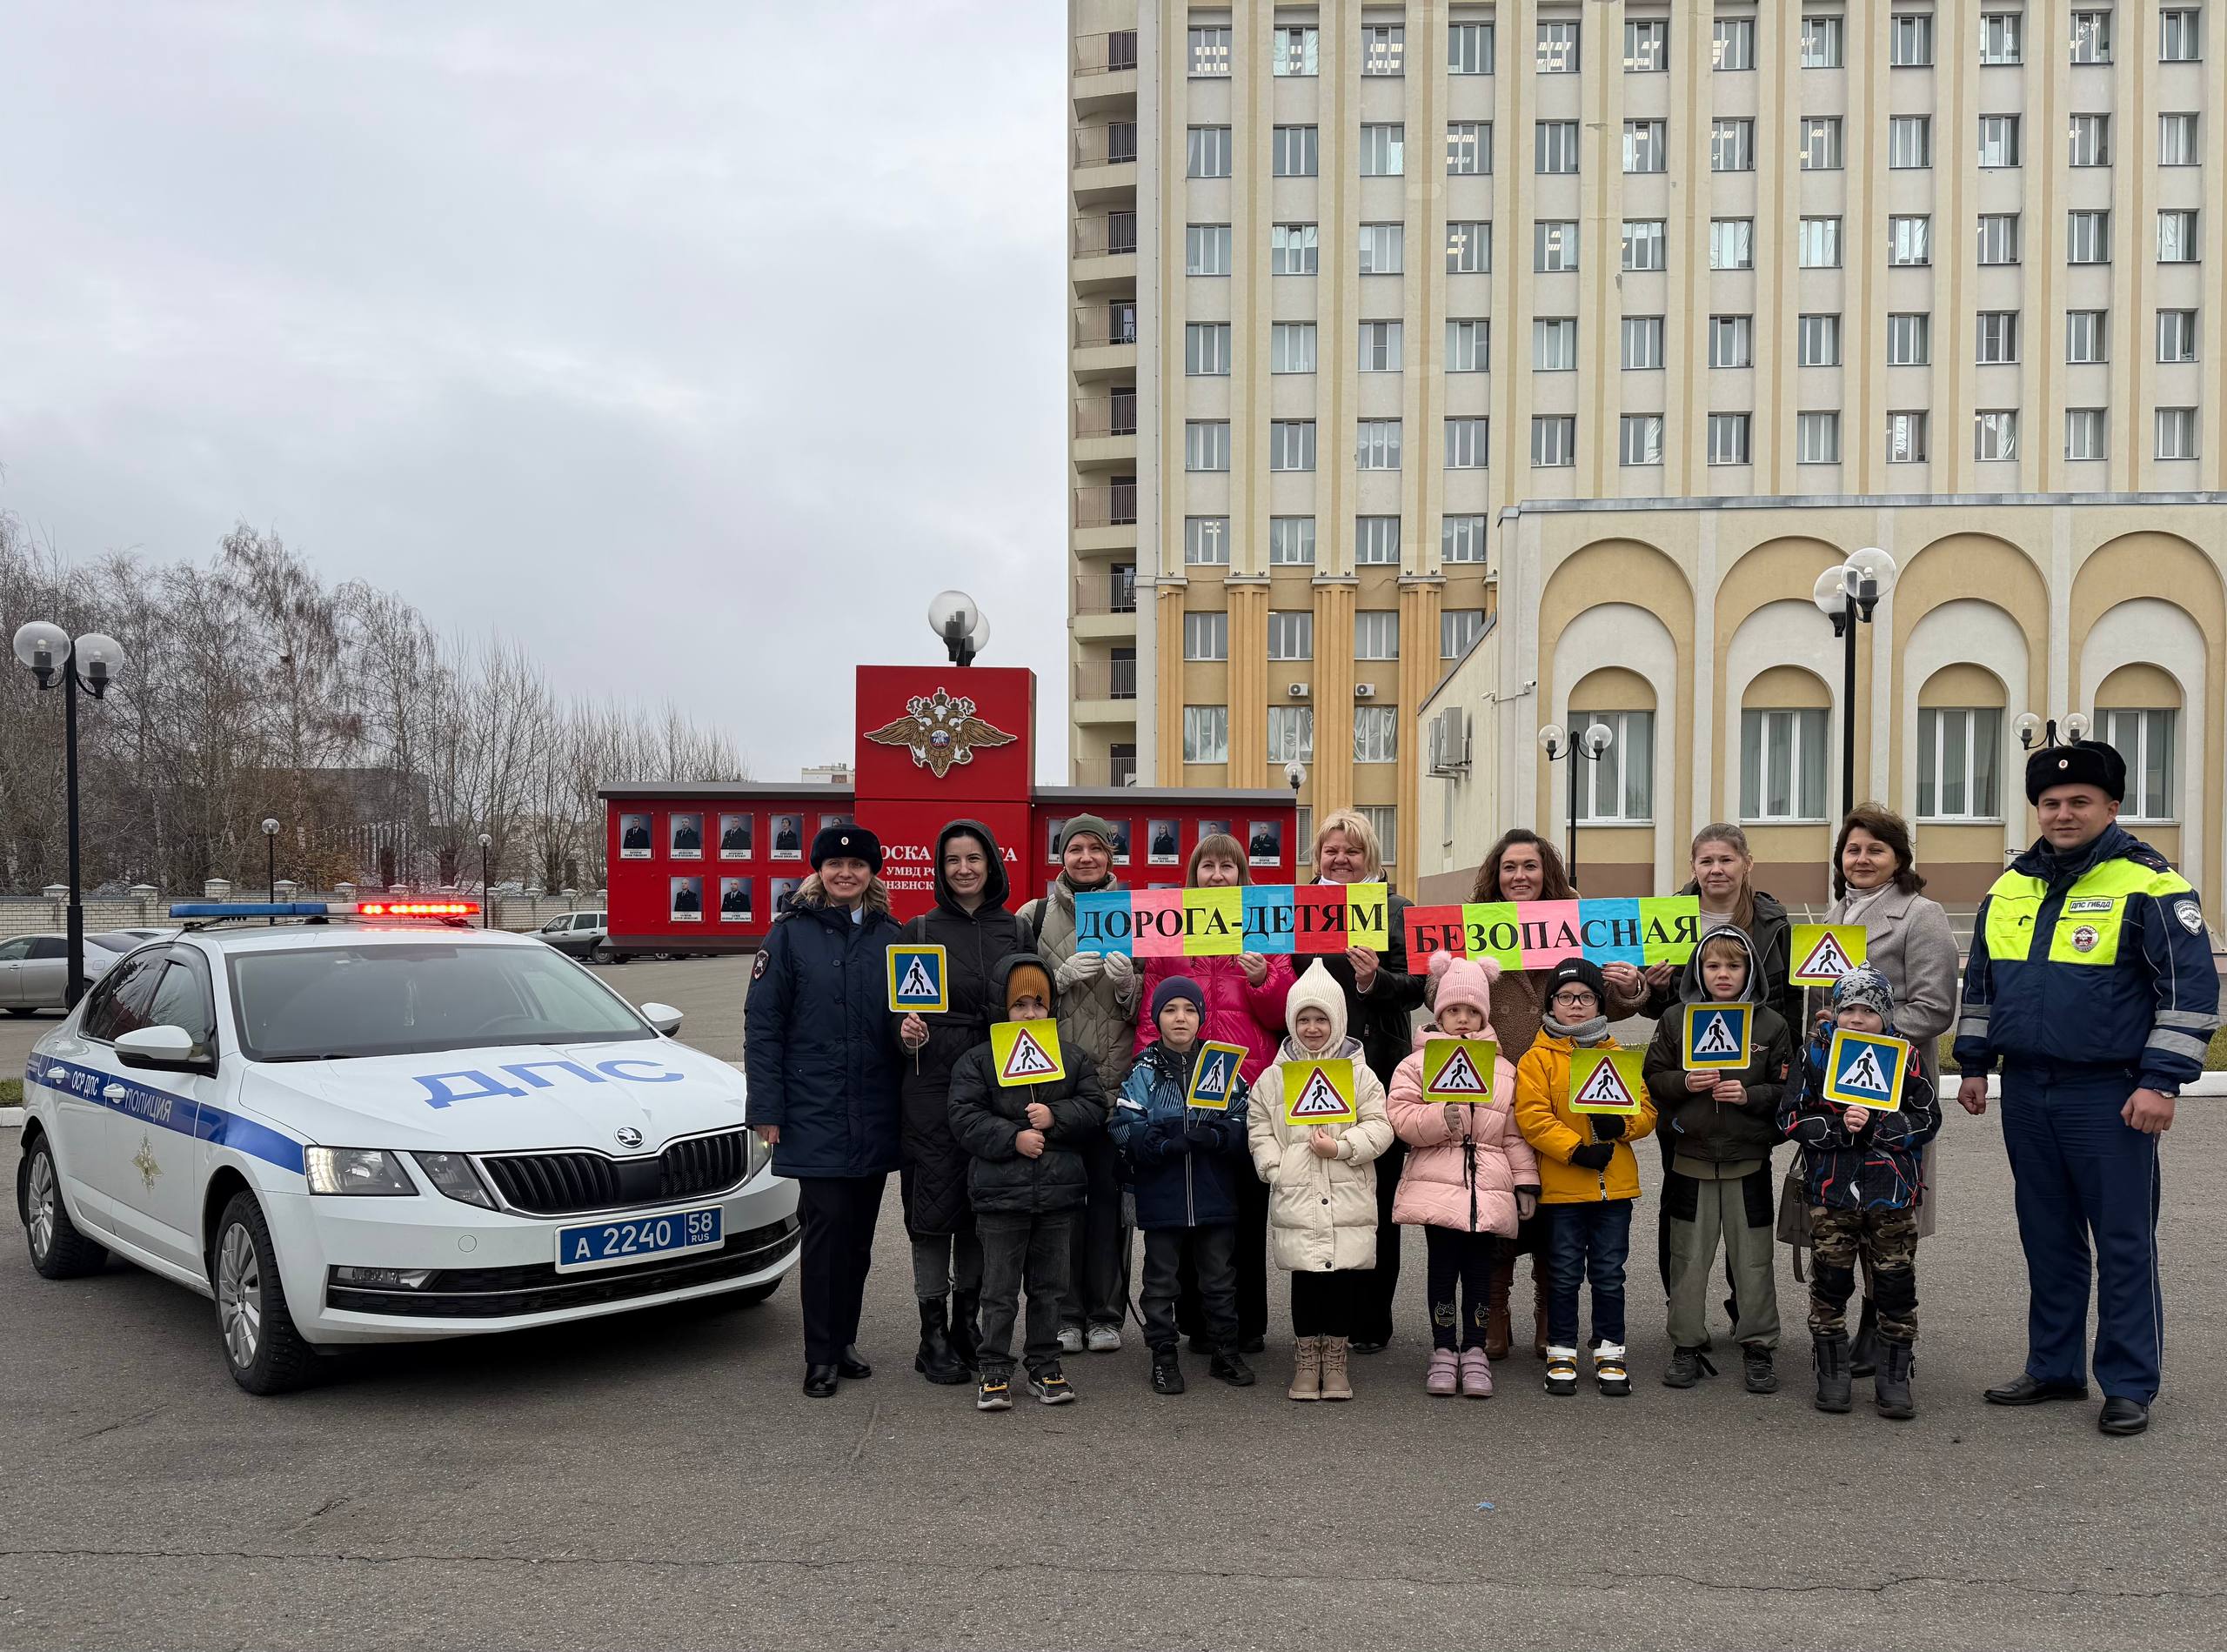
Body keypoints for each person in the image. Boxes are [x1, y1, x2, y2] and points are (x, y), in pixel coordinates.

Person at [1956, 740, 2220, 1437]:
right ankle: (2055, 1365)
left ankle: (2129, 1382)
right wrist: (1975, 1063)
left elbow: (2190, 992)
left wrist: (2162, 1081)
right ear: (2036, 809)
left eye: (2079, 801)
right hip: (2029, 1090)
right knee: (2047, 1237)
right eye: (2050, 803)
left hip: (2113, 1094)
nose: (2063, 813)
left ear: (2111, 805)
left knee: (2124, 1240)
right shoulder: (2009, 886)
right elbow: (1981, 985)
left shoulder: (2153, 884)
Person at [1468, 828, 1662, 1361]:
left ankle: (1550, 1313)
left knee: (1560, 1210)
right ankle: (1496, 1311)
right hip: (1497, 1090)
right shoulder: (1476, 925)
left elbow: (1605, 1004)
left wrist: (1634, 988)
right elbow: (1452, 999)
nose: (1520, 876)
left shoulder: (1577, 925)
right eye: (1509, 867)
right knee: (1501, 1211)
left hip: (1569, 1091)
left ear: (1546, 872)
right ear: (1496, 875)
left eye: (1530, 866)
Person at [743, 826, 904, 1398]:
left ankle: (845, 1339)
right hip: (812, 1110)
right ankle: (820, 1353)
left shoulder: (893, 936)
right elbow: (763, 1027)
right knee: (825, 1231)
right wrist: (765, 1109)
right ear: (818, 870)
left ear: (871, 873)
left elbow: (899, 1021)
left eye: (857, 865)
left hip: (874, 1111)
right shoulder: (788, 936)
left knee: (858, 1236)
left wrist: (909, 1032)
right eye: (835, 864)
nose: (845, 873)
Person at [1804, 805, 1961, 1380]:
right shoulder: (1835, 913)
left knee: (1888, 1206)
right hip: (1835, 1090)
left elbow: (1935, 1007)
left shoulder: (1922, 915)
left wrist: (1865, 1034)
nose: (1862, 859)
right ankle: (1844, 1320)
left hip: (1893, 1087)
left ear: (1899, 857)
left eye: (1875, 849)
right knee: (1843, 1202)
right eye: (1853, 849)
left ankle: (1882, 1320)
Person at [1133, 833, 1294, 1354]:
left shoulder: (1266, 928)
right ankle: (1196, 1324)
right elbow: (1150, 1017)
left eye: (1229, 867)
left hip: (1248, 1089)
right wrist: (1148, 1075)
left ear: (1243, 876)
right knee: (1188, 1206)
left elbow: (1286, 1016)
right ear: (1194, 876)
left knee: (1242, 1213)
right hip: (1182, 1087)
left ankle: (1244, 1324)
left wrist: (1264, 977)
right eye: (1208, 867)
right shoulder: (1170, 932)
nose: (1218, 875)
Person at [895, 820, 1029, 1386]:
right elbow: (891, 1014)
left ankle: (965, 1326)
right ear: (940, 867)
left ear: (992, 864)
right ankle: (931, 1335)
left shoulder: (1015, 931)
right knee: (932, 1213)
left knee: (982, 1209)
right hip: (930, 1081)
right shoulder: (919, 929)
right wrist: (904, 1032)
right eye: (953, 859)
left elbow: (1035, 1003)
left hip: (994, 1081)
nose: (964, 868)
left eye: (974, 857)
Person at [946, 955, 1106, 1411]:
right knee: (998, 1290)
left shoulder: (1071, 1057)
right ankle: (994, 1366)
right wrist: (1013, 1138)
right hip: (1001, 1197)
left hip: (1058, 1196)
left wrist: (1057, 1116)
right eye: (1020, 1004)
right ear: (1002, 1008)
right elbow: (964, 1117)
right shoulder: (978, 1061)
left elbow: (1094, 1107)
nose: (1030, 1013)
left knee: (1050, 1289)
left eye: (1039, 1003)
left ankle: (1044, 1364)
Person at [1782, 966, 1943, 1418]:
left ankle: (1893, 1377)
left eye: (1868, 1010)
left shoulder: (1906, 1056)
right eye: (1848, 1008)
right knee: (1830, 1284)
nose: (1857, 1018)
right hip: (1832, 1194)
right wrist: (1838, 1130)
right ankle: (1831, 1372)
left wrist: (1880, 1126)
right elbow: (1789, 1117)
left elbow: (1928, 1119)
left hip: (1891, 1196)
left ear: (1885, 1015)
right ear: (1834, 1010)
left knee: (1894, 1286)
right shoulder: (1814, 1054)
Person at [1641, 926, 1795, 1394]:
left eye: (1734, 965)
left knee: (1753, 1259)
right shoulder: (1675, 1020)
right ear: (1697, 971)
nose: (1723, 974)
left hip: (1748, 1161)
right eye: (1713, 966)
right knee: (1687, 1257)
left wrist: (1748, 1095)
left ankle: (1758, 1343)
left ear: (1750, 971)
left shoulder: (1772, 1025)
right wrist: (1684, 1083)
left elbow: (1787, 1089)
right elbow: (1652, 1077)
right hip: (1689, 1158)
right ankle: (1686, 1343)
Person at [1386, 952, 1536, 1399]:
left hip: (1488, 1186)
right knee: (1441, 1269)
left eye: (1473, 1011)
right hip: (1438, 1183)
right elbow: (1400, 1116)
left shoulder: (1503, 1069)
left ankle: (1474, 1350)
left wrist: (1525, 1181)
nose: (1464, 1020)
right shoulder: (1415, 1065)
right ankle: (1443, 1350)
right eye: (1454, 1010)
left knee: (1479, 1272)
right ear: (1439, 1013)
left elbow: (1513, 1132)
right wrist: (1440, 1118)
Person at [1016, 815, 1140, 1355]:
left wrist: (1131, 988)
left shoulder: (1138, 913)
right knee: (1060, 1203)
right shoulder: (1033, 915)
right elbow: (1016, 991)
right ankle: (1065, 1312)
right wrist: (1055, 978)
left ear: (1111, 857)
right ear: (1060, 856)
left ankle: (1107, 1314)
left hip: (1116, 1080)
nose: (1085, 857)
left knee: (1110, 1204)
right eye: (1075, 848)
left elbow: (1158, 1004)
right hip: (1055, 1086)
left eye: (1096, 848)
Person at [1309, 809, 1428, 1354]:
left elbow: (1417, 985)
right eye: (1332, 851)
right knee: (1322, 1195)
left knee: (1377, 1198)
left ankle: (1371, 1319)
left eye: (1352, 851)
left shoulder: (1398, 909)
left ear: (1371, 858)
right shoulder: (1299, 907)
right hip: (1314, 1070)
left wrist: (1373, 978)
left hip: (1379, 1069)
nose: (1341, 860)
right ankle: (1324, 1315)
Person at [1247, 961, 1394, 1401]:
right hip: (1298, 1194)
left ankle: (1336, 1360)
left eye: (1322, 1019)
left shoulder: (1360, 1075)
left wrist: (1345, 1147)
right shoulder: (1274, 1077)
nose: (1313, 1028)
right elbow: (1258, 1125)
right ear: (1292, 1023)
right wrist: (1276, 1168)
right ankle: (1306, 1359)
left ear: (1338, 1022)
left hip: (1347, 1191)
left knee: (1342, 1281)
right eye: (1304, 1019)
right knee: (1306, 1279)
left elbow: (1381, 1125)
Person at [1514, 957, 1657, 1398]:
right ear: (1551, 1003)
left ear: (1600, 1004)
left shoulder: (1617, 1056)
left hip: (1614, 1188)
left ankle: (1610, 1350)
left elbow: (1647, 1112)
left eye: (1586, 996)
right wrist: (1574, 1150)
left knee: (1610, 1273)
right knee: (1563, 1273)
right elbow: (1532, 1117)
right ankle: (1561, 1350)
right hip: (1563, 1189)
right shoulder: (1536, 1059)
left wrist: (1624, 1125)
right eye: (1566, 997)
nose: (1575, 1005)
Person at [1112, 977, 1259, 1395]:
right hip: (1163, 1195)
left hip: (1213, 1193)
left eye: (1190, 1010)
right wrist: (1157, 1144)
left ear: (1201, 1017)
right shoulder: (1143, 1069)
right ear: (1157, 1016)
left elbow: (1247, 1118)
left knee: (1219, 1279)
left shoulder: (1220, 1064)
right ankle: (1163, 1355)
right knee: (1160, 1281)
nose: (1181, 1018)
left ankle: (1225, 1353)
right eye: (1171, 1009)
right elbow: (1123, 1126)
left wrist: (1219, 1136)